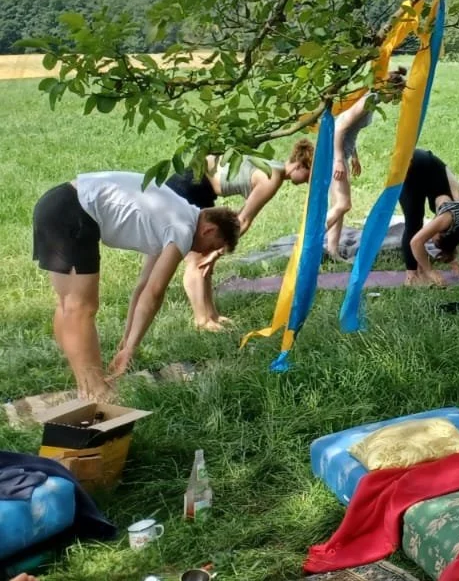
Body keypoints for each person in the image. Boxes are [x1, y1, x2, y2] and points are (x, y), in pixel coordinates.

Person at [32, 172, 240, 400]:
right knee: (80, 307)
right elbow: (154, 293)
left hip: (56, 203)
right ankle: (96, 392)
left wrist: (127, 342)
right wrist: (131, 349)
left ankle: (84, 381)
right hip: (74, 212)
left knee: (67, 305)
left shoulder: (176, 212)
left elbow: (143, 287)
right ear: (208, 230)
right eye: (212, 246)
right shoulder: (183, 228)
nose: (205, 253)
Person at [166, 139, 316, 331]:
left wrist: (216, 252)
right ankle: (201, 320)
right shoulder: (273, 177)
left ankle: (212, 315)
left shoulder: (272, 167)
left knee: (207, 263)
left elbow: (238, 218)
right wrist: (217, 251)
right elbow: (243, 220)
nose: (308, 181)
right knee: (197, 261)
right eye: (309, 174)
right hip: (190, 187)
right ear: (299, 164)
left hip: (201, 189)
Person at [325, 68, 408, 261]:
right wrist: (338, 159)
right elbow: (339, 126)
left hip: (341, 154)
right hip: (333, 155)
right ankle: (307, 240)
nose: (397, 99)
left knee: (338, 204)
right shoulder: (368, 100)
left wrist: (353, 156)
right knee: (343, 204)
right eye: (397, 94)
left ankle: (332, 251)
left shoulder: (373, 101)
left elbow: (350, 129)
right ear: (389, 89)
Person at [401, 149, 459, 287]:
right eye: (435, 242)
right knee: (413, 224)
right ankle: (412, 275)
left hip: (430, 162)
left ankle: (417, 269)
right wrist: (430, 271)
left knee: (416, 222)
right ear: (443, 233)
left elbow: (450, 241)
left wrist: (452, 259)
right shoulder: (446, 219)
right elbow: (416, 242)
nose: (431, 239)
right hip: (413, 165)